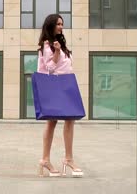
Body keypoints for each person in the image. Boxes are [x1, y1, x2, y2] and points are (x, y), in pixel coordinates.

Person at [36, 14, 83, 177]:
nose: (61, 27)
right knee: (52, 122)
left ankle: (67, 159)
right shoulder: (46, 45)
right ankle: (46, 159)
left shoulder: (59, 44)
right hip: (56, 85)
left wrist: (59, 49)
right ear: (51, 25)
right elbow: (49, 68)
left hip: (66, 83)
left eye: (62, 24)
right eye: (58, 24)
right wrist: (56, 51)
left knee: (70, 119)